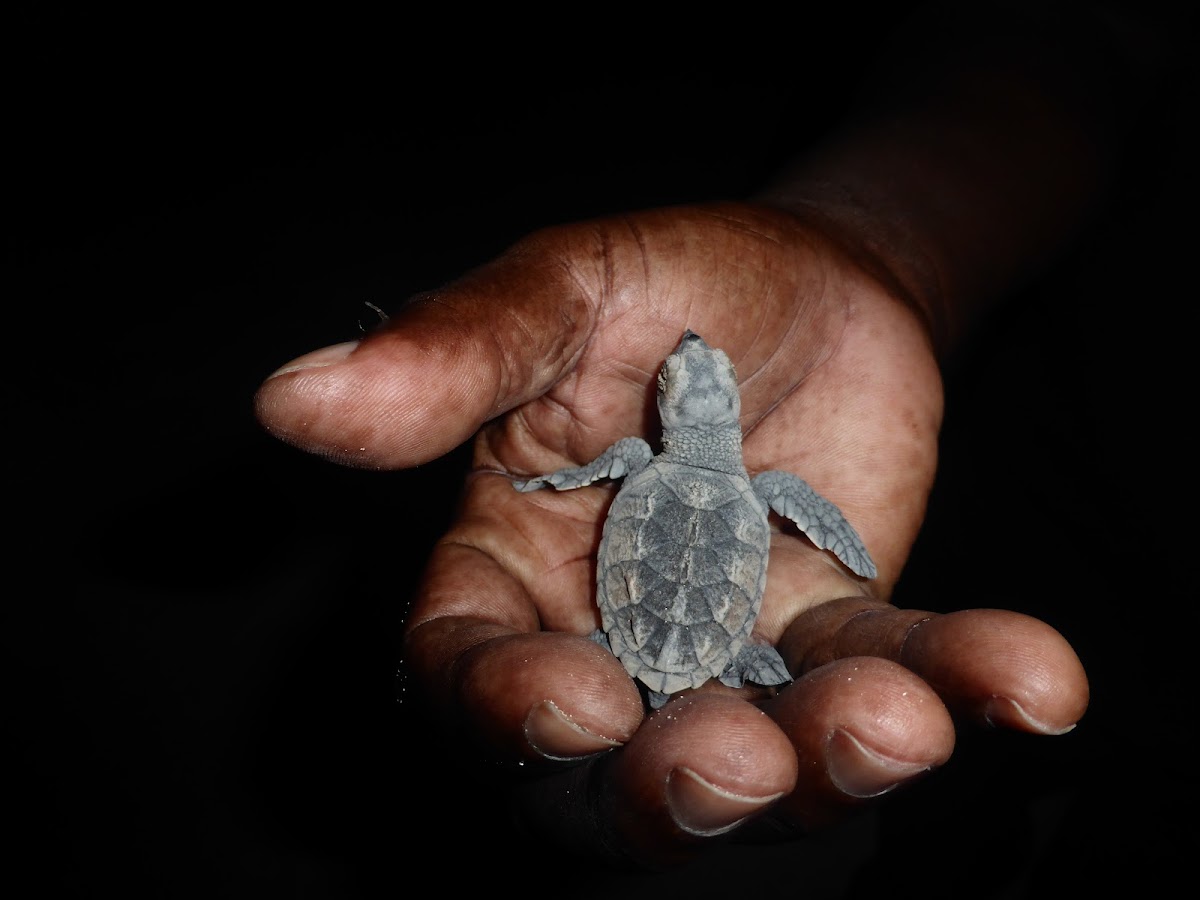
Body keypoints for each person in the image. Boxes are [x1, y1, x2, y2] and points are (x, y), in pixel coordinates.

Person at [252, 3, 1178, 872]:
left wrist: (555, 486)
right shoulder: (757, 487)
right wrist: (875, 252)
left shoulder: (642, 464)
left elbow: (612, 469)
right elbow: (1078, 37)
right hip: (1064, 475)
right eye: (685, 376)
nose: (694, 365)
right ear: (712, 412)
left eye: (699, 374)